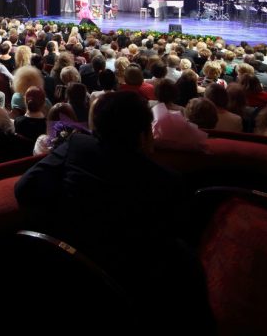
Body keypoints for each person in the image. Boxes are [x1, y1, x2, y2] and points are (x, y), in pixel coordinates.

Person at [15, 91, 213, 332]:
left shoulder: (76, 146)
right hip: (129, 296)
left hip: (61, 279)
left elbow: (25, 188)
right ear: (143, 135)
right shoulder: (168, 183)